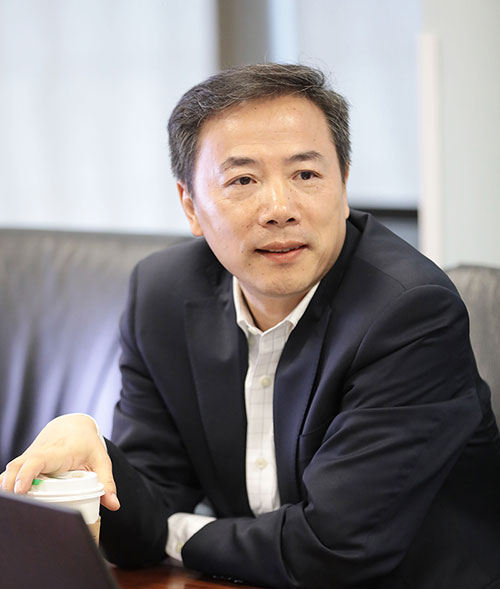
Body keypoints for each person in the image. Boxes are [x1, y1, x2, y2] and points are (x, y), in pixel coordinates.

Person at [2, 63, 500, 589]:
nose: (280, 209)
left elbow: (336, 549)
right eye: (243, 180)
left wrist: (175, 534)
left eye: (306, 175)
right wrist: (93, 455)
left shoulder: (410, 313)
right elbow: (144, 518)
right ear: (191, 207)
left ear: (344, 185)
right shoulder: (163, 294)